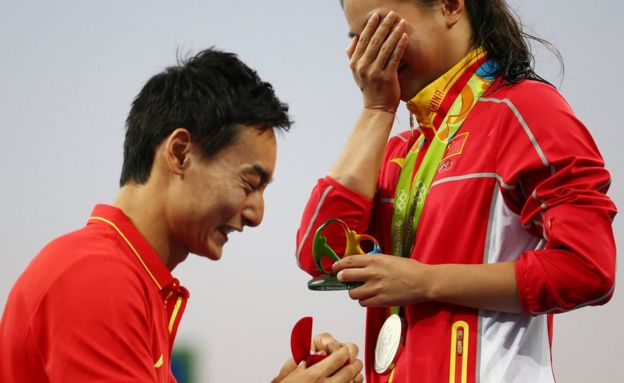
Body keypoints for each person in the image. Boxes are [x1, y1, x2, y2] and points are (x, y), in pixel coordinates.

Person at [295, 1, 617, 382]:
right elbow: (319, 252)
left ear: (449, 6)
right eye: (357, 38)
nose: (367, 53)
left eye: (379, 28)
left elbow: (587, 268)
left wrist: (425, 282)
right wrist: (376, 110)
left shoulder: (526, 110)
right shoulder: (398, 151)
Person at [0, 48, 364, 383]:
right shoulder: (97, 278)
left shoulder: (131, 279)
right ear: (179, 153)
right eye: (249, 183)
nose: (257, 214)